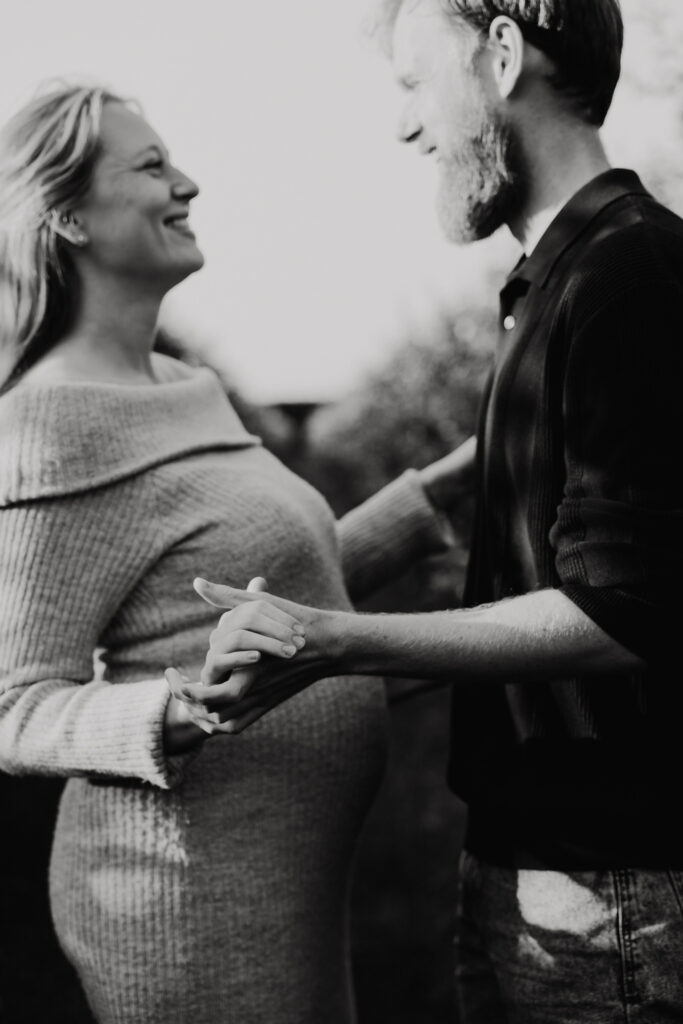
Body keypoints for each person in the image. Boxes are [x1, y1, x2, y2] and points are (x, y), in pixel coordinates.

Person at [171, 0, 683, 1020]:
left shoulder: (629, 275)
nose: (404, 125)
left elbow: (624, 613)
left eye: (414, 82)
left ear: (499, 56)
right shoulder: (550, 286)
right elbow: (546, 597)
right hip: (524, 868)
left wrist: (338, 640)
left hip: (609, 895)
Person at [0, 83, 468, 1024]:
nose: (190, 183)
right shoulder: (48, 424)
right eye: (151, 167)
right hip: (185, 897)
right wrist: (182, 707)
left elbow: (259, 575)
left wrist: (441, 491)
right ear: (69, 217)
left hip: (280, 874)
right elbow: (16, 706)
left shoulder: (180, 386)